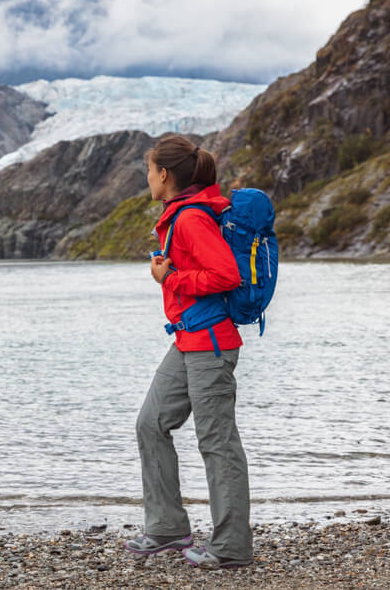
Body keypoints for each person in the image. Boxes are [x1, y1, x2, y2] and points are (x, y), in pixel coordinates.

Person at [123, 134, 253, 570]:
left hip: (211, 346)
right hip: (187, 341)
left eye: (148, 171)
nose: (147, 178)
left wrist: (170, 280)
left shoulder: (192, 218)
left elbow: (226, 275)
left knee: (217, 443)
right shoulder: (180, 215)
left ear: (164, 174)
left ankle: (232, 546)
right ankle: (166, 527)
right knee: (150, 423)